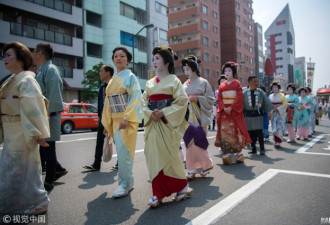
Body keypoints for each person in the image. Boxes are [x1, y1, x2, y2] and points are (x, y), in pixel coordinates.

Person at [0, 41, 50, 214]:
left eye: (8, 55)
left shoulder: (27, 80)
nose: (4, 59)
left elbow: (35, 108)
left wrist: (39, 133)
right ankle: (37, 201)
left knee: (15, 170)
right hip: (11, 130)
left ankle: (18, 205)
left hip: (22, 130)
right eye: (4, 55)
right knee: (23, 171)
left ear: (21, 57)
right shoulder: (13, 80)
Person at [141, 45, 192, 207]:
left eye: (157, 58)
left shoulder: (175, 81)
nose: (154, 61)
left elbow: (182, 102)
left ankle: (182, 186)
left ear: (167, 61)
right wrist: (150, 114)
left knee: (170, 156)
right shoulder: (149, 83)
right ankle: (158, 192)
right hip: (153, 123)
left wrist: (164, 112)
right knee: (153, 155)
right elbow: (143, 102)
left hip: (166, 123)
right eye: (153, 58)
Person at [101, 46, 142, 198]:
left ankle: (125, 183)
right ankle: (127, 181)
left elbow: (136, 97)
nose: (118, 58)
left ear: (128, 60)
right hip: (116, 120)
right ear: (113, 60)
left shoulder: (131, 77)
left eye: (122, 56)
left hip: (126, 120)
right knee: (121, 153)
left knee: (125, 153)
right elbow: (108, 103)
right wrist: (107, 124)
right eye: (116, 56)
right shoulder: (112, 81)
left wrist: (127, 117)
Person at [32, 43, 67, 192]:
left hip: (48, 115)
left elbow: (54, 95)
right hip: (42, 115)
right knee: (43, 148)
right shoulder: (42, 70)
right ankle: (58, 169)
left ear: (40, 53)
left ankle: (49, 181)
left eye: (34, 51)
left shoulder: (50, 69)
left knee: (48, 147)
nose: (32, 54)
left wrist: (46, 116)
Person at [181, 56, 215, 180]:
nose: (186, 72)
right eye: (184, 70)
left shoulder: (203, 82)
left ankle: (203, 166)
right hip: (188, 117)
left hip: (200, 116)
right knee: (189, 143)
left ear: (194, 69)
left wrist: (198, 99)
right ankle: (194, 168)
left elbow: (211, 99)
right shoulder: (184, 84)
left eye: (188, 69)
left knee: (197, 143)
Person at [214, 62, 251, 165]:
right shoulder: (222, 85)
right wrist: (223, 107)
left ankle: (239, 153)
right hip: (225, 113)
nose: (227, 72)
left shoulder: (237, 84)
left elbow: (239, 97)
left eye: (229, 70)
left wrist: (231, 107)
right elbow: (219, 98)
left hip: (234, 112)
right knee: (225, 132)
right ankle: (227, 153)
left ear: (233, 72)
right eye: (225, 71)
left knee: (236, 131)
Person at [83, 65, 114, 171]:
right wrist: (100, 118)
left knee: (118, 142)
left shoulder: (115, 86)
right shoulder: (102, 88)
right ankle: (96, 164)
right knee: (99, 141)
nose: (99, 73)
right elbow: (100, 105)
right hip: (103, 119)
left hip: (114, 119)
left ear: (108, 73)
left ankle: (120, 163)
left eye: (101, 71)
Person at [243, 76, 273, 155]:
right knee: (251, 133)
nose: (256, 83)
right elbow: (241, 104)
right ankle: (253, 148)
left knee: (259, 132)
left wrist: (269, 112)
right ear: (249, 83)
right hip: (248, 115)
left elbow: (266, 101)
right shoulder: (245, 93)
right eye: (254, 82)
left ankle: (262, 149)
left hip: (258, 114)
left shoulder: (260, 91)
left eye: (257, 81)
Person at [269, 81, 287, 148]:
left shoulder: (282, 95)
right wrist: (272, 109)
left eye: (276, 87)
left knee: (278, 126)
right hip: (273, 113)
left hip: (279, 113)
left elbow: (285, 104)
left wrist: (278, 109)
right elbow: (269, 104)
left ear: (278, 88)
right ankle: (275, 141)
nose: (275, 88)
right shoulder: (270, 96)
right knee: (274, 127)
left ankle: (278, 141)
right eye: (273, 87)